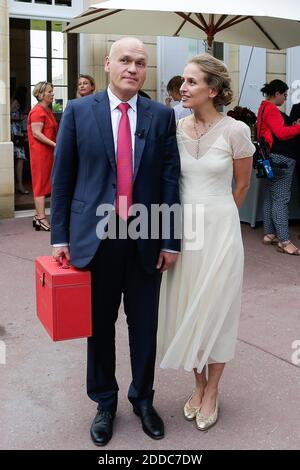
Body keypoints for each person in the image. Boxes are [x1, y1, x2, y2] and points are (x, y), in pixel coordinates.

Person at [51, 37, 181, 446]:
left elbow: (168, 179)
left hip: (144, 236)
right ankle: (104, 402)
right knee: (99, 327)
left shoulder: (160, 116)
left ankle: (143, 399)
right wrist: (60, 237)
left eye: (141, 63)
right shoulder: (76, 111)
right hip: (95, 239)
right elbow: (63, 178)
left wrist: (170, 240)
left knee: (145, 327)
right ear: (108, 63)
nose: (133, 68)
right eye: (125, 60)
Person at [157, 53, 255, 431]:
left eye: (192, 82)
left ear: (212, 90)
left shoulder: (236, 131)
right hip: (184, 235)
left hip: (221, 235)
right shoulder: (176, 127)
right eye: (183, 81)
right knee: (186, 311)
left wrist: (221, 223)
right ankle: (196, 385)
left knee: (216, 311)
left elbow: (242, 185)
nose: (183, 87)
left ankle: (212, 390)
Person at [257, 80, 300, 255]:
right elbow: (282, 133)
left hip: (268, 158)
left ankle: (269, 233)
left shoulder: (263, 107)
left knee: (270, 195)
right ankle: (284, 240)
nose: (285, 98)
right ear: (277, 94)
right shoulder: (273, 109)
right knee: (281, 199)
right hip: (281, 159)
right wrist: (298, 127)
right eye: (284, 95)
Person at [27, 81, 58, 231]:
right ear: (40, 94)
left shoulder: (47, 110)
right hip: (40, 154)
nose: (52, 94)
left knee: (46, 184)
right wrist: (55, 145)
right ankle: (41, 218)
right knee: (40, 185)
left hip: (48, 153)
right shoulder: (38, 111)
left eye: (52, 91)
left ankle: (36, 215)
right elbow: (36, 133)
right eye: (49, 92)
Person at [11, 86, 29, 194]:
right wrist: (19, 118)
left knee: (19, 159)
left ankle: (18, 185)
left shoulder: (16, 102)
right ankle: (19, 185)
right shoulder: (15, 101)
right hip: (15, 133)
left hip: (17, 132)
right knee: (19, 159)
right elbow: (7, 115)